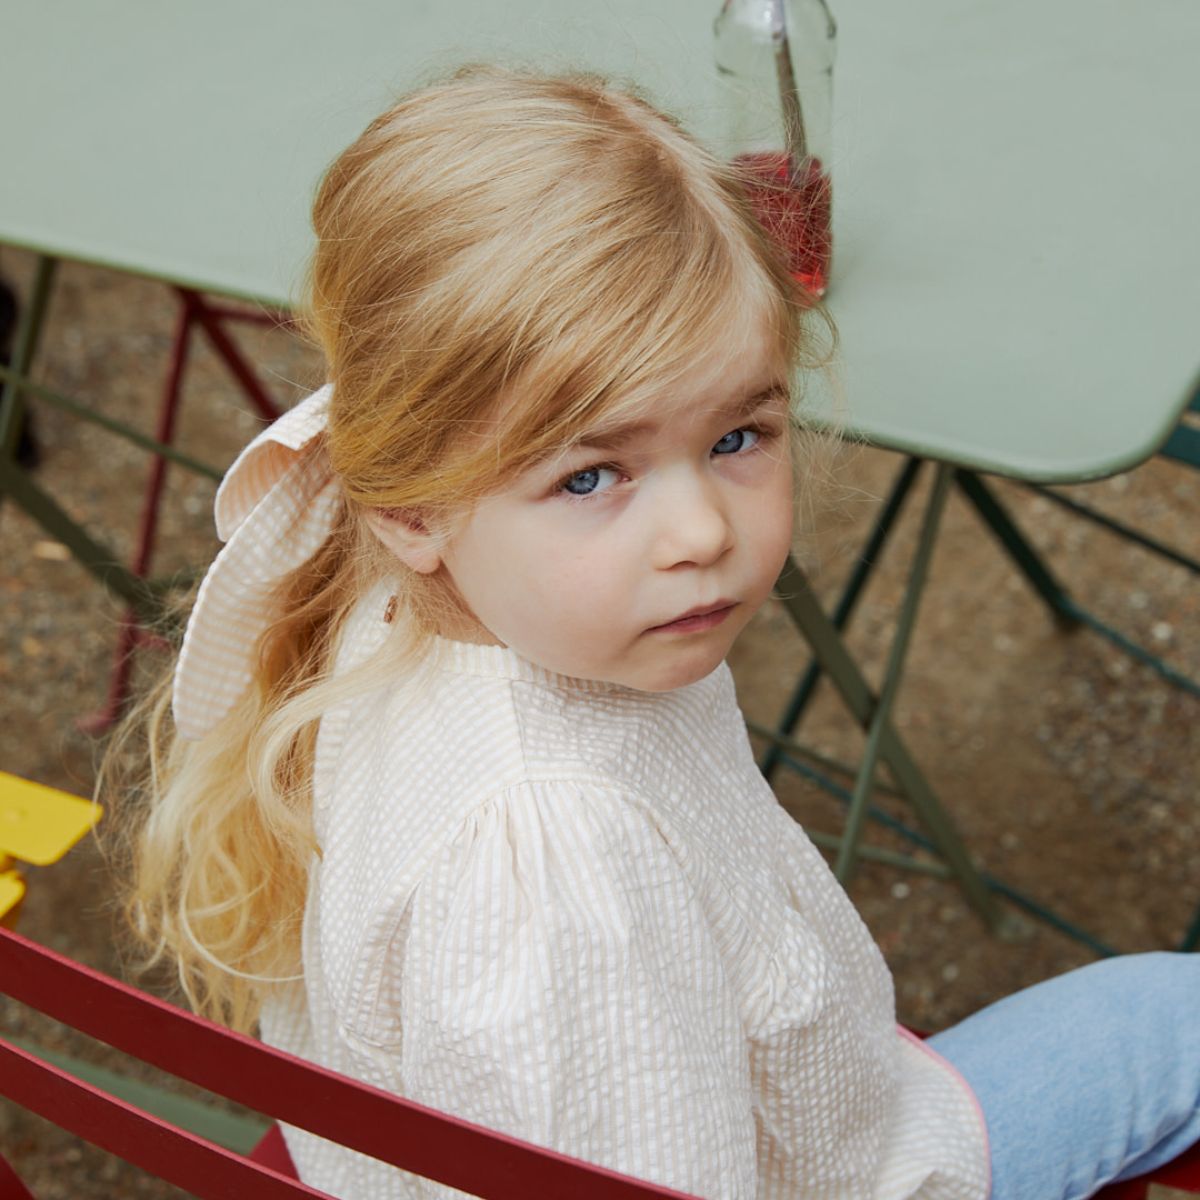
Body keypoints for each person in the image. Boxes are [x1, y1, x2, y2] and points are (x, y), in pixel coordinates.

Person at [115, 65, 1200, 1200]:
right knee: (1175, 1021)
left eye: (739, 436)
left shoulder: (388, 574)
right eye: (593, 476)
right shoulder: (561, 873)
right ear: (415, 506)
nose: (699, 532)